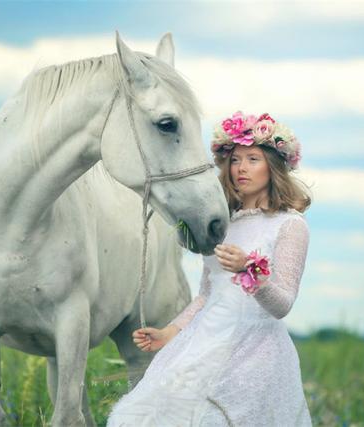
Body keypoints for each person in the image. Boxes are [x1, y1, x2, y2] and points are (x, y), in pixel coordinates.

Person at [106, 111, 312, 427]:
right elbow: (206, 295)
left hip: (254, 352)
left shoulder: (289, 225)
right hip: (203, 341)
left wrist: (250, 272)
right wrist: (169, 333)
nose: (241, 168)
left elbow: (282, 305)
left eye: (253, 159)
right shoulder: (224, 224)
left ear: (274, 166)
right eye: (234, 160)